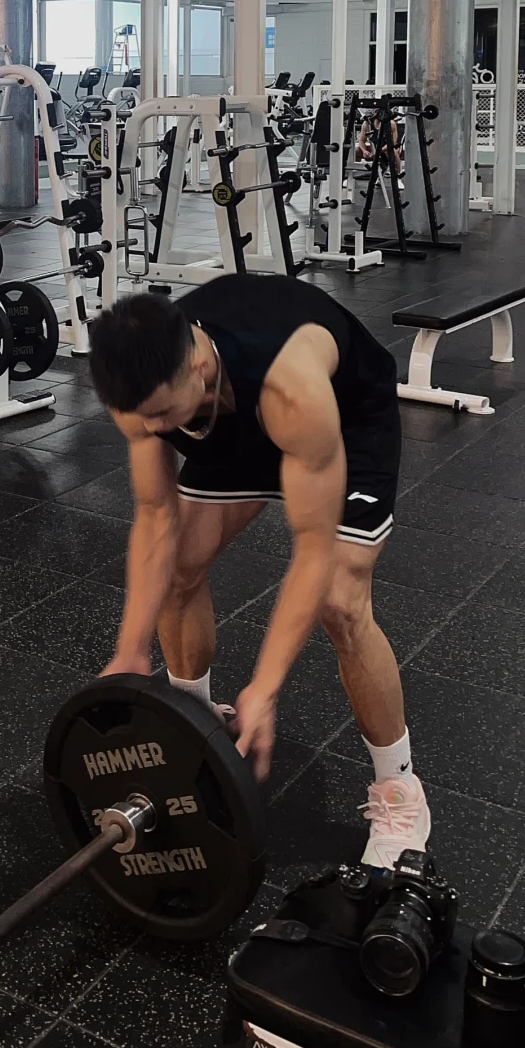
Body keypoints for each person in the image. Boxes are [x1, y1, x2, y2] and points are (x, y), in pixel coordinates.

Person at [88, 275, 427, 870]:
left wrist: (265, 688)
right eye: (143, 419)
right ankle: (193, 724)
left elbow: (312, 549)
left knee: (341, 604)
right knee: (179, 571)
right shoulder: (143, 394)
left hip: (342, 419)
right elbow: (155, 518)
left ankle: (400, 790)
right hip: (226, 413)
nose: (156, 430)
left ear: (196, 366)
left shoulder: (291, 389)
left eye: (162, 414)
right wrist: (131, 650)